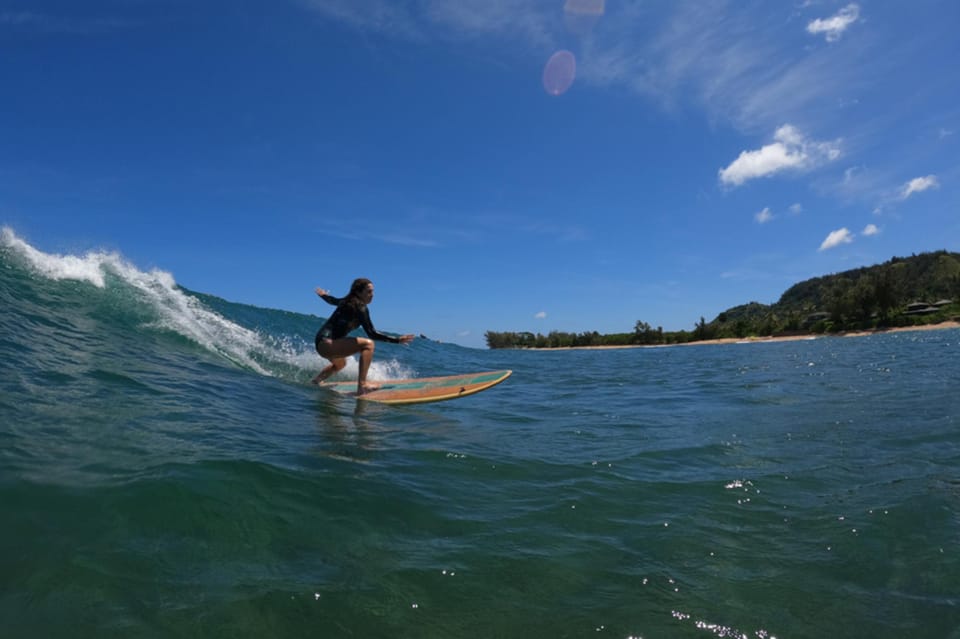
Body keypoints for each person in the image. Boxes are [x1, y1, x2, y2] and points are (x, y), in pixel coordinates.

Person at [311, 278, 414, 394]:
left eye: (373, 291)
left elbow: (332, 300)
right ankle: (362, 386)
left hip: (321, 342)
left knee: (340, 364)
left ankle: (316, 381)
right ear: (358, 293)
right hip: (328, 343)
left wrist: (323, 295)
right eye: (368, 292)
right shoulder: (360, 307)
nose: (372, 295)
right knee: (368, 345)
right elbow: (372, 333)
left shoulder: (346, 301)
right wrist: (397, 340)